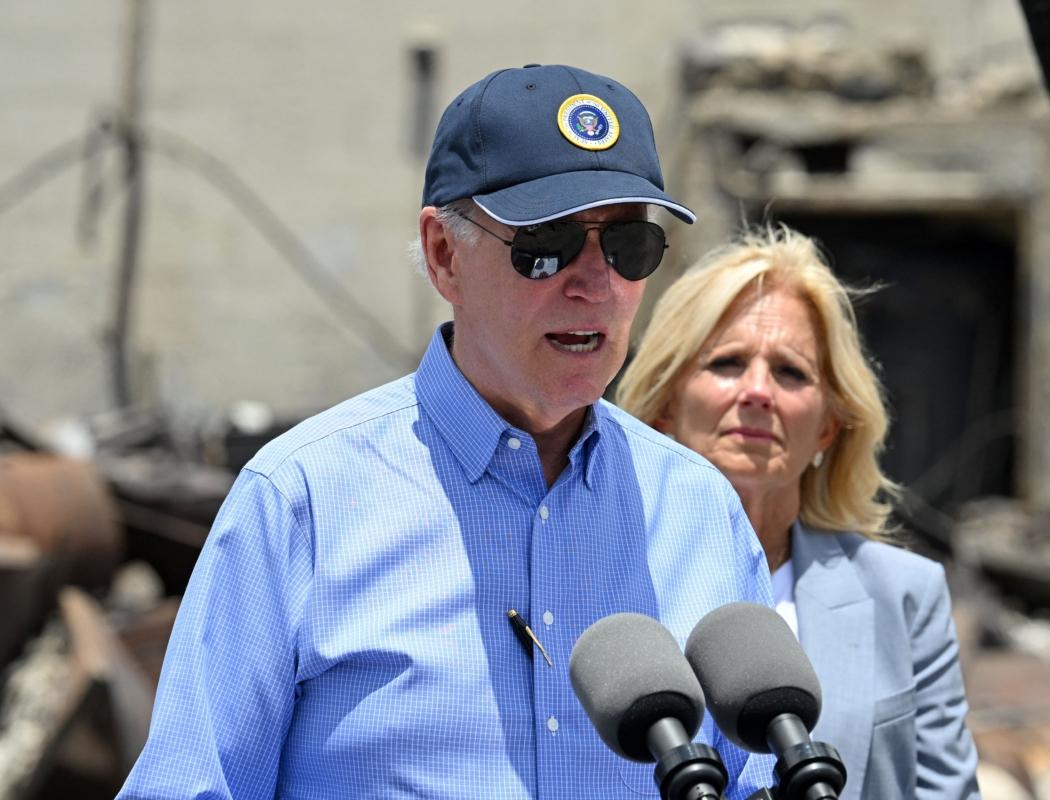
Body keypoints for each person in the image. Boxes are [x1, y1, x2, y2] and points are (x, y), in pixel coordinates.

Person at [117, 65, 774, 799]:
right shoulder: (301, 500)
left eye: (628, 245)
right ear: (443, 254)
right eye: (547, 243)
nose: (594, 284)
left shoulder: (699, 510)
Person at [617, 225, 981, 799]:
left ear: (829, 426)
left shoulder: (905, 596)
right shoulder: (596, 583)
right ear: (665, 404)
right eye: (728, 363)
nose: (758, 392)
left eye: (791, 372)